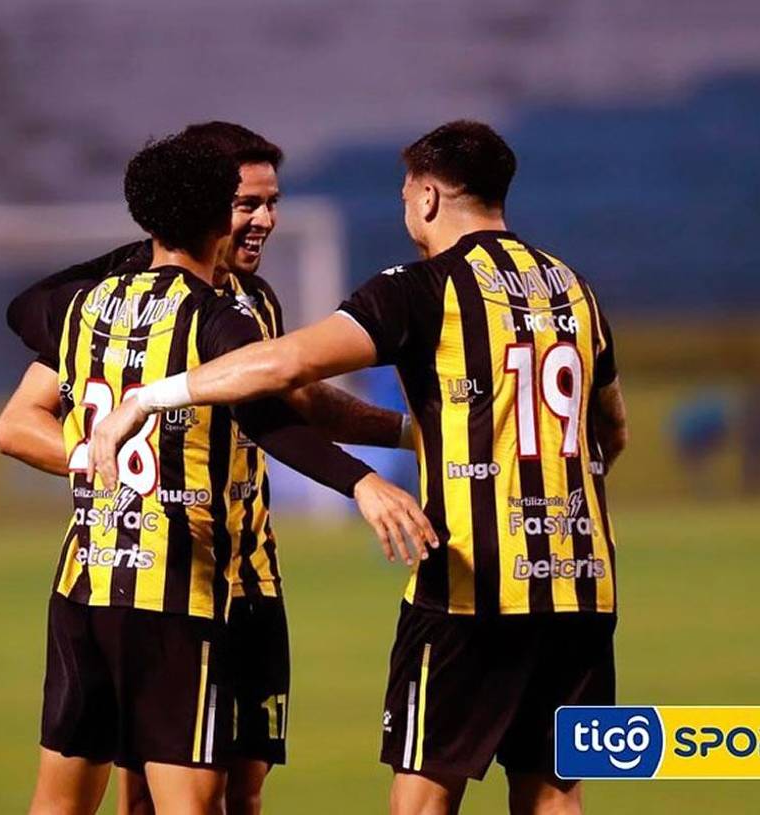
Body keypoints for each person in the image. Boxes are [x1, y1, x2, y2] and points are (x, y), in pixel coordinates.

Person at [88, 120, 629, 815]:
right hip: (582, 587)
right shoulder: (573, 288)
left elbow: (287, 363)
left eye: (407, 195)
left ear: (429, 196)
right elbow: (610, 428)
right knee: (552, 793)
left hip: (472, 587)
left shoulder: (424, 287)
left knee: (423, 795)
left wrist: (153, 395)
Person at [0, 122, 417, 815]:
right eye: (244, 203)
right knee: (186, 797)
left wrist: (405, 435)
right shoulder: (214, 317)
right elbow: (267, 416)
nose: (262, 219)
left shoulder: (86, 306)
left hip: (116, 579)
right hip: (181, 586)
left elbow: (22, 309)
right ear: (211, 212)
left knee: (104, 798)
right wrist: (360, 479)